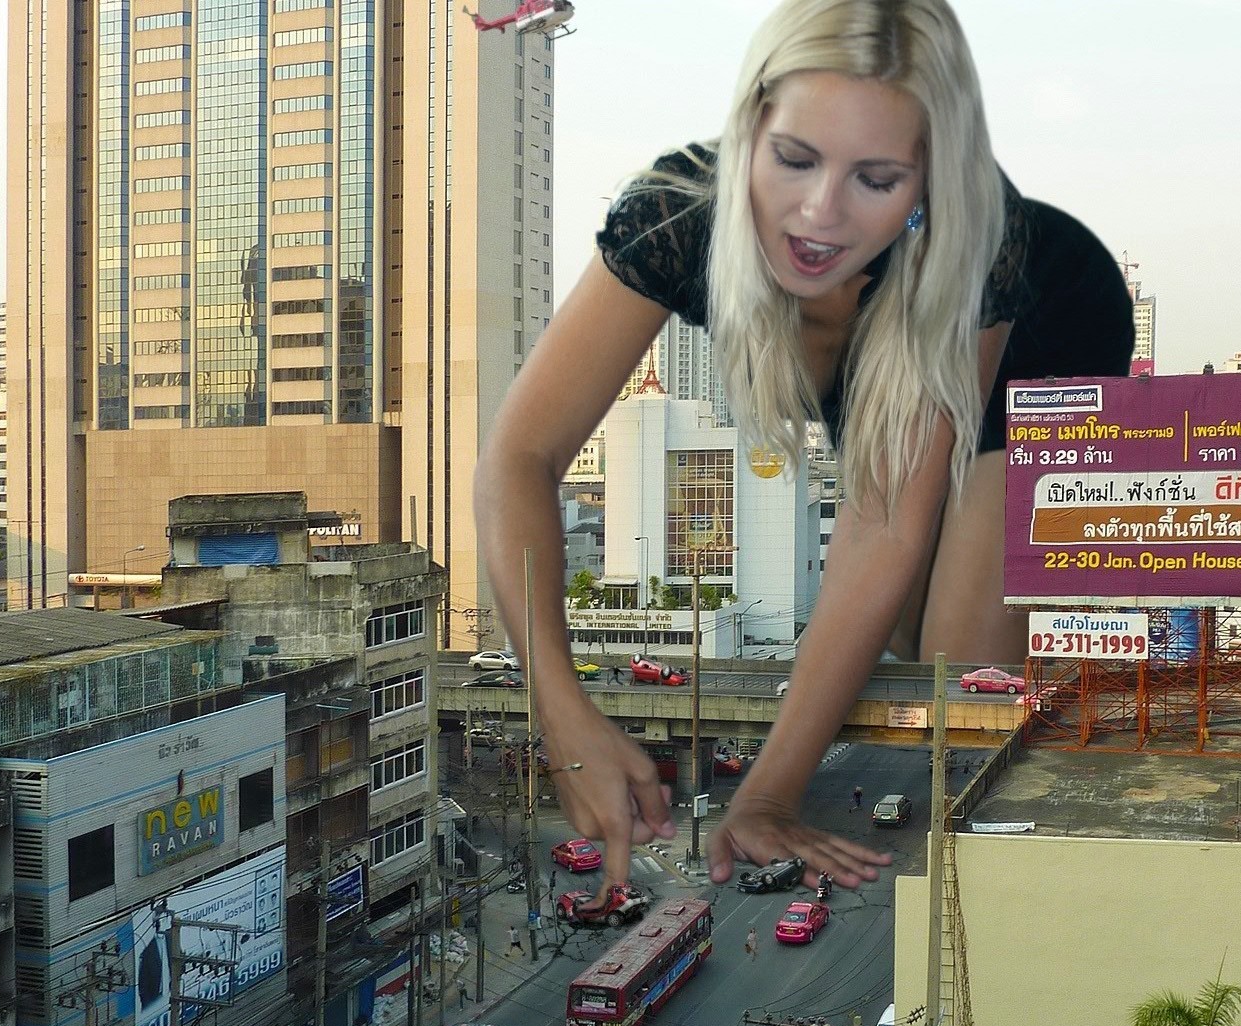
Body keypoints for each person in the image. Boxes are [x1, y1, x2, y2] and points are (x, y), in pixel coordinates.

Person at [475, 0, 1131, 902]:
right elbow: (517, 460)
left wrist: (770, 794)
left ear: (930, 179)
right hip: (878, 353)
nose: (818, 214)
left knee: (955, 676)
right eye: (793, 159)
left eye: (876, 177)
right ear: (750, 129)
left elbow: (883, 523)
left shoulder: (980, 240)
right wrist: (562, 716)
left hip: (1040, 341)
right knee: (896, 645)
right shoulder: (678, 214)